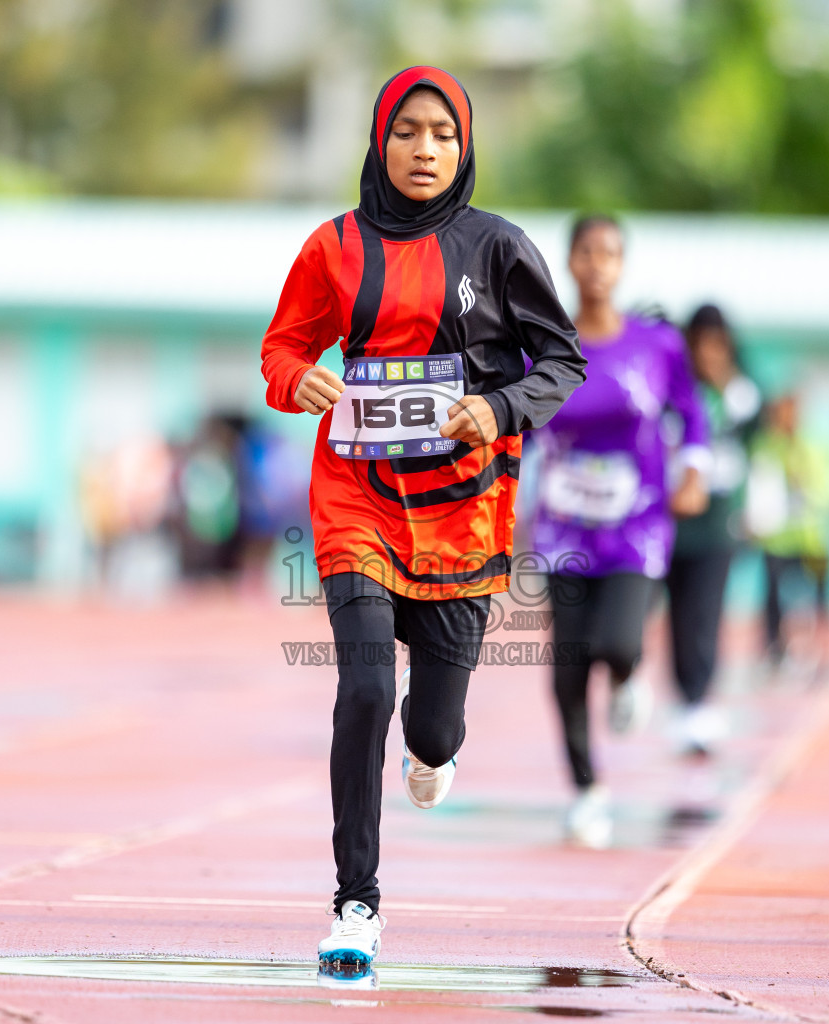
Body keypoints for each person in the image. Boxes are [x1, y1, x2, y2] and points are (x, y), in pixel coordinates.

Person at [259, 66, 586, 972]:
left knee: (430, 732)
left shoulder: (498, 249)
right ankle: (355, 902)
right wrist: (299, 379)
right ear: (379, 140)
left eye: (443, 133)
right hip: (356, 501)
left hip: (461, 520)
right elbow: (282, 349)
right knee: (363, 690)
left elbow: (563, 363)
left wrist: (500, 407)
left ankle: (435, 749)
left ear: (466, 145)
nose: (425, 149)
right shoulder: (334, 248)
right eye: (407, 131)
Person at [531, 214, 709, 849]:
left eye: (611, 252)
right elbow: (515, 425)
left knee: (617, 643)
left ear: (622, 264)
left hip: (637, 524)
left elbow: (692, 413)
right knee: (567, 670)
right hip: (563, 527)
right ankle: (586, 791)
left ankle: (631, 675)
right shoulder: (543, 348)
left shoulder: (656, 346)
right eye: (588, 252)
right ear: (571, 263)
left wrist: (695, 471)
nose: (599, 263)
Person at [666, 305, 761, 755]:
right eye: (699, 343)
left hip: (718, 520)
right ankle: (681, 695)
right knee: (676, 617)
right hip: (673, 514)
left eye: (717, 344)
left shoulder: (741, 394)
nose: (708, 353)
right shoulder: (675, 390)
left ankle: (698, 703)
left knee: (705, 613)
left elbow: (758, 442)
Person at [745, 393, 829, 676]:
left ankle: (824, 653)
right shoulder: (765, 444)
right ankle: (774, 651)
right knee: (772, 596)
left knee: (821, 599)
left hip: (815, 536)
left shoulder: (818, 441)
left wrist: (811, 490)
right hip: (778, 536)